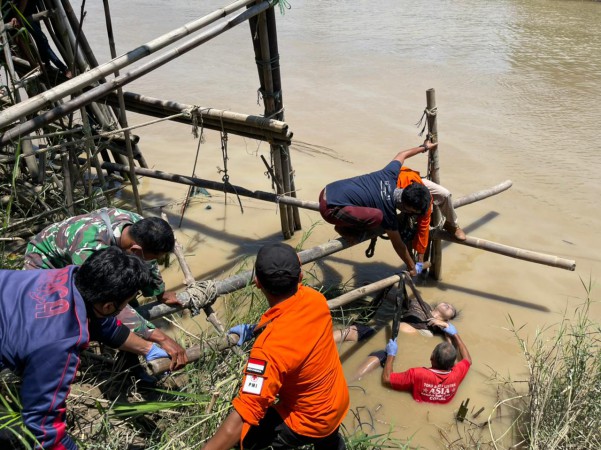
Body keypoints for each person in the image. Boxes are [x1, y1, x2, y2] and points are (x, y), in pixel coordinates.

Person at [0, 247, 172, 449]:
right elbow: (43, 431)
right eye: (125, 304)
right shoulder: (60, 344)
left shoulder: (66, 276)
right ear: (108, 307)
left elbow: (102, 325)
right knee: (14, 435)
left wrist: (147, 348)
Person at [202, 243, 349, 450]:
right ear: (300, 277)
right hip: (337, 401)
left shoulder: (266, 351)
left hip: (310, 421)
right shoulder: (316, 300)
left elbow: (246, 411)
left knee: (248, 440)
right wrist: (257, 329)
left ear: (257, 282)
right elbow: (293, 324)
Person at [23, 207, 187, 368]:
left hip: (78, 257)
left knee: (128, 296)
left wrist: (159, 292)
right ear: (136, 250)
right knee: (80, 313)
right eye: (153, 257)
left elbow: (148, 263)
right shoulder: (90, 247)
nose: (153, 261)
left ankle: (130, 363)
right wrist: (159, 337)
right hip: (46, 265)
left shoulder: (139, 226)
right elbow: (107, 301)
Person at [319, 140, 465, 277]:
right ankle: (344, 229)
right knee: (377, 217)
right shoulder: (387, 212)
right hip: (331, 209)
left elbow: (402, 154)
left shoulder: (390, 173)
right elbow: (398, 245)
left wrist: (424, 147)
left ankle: (350, 222)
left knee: (373, 212)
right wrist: (412, 267)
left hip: (329, 189)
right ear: (407, 206)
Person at [382, 322, 472, 404]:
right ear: (452, 365)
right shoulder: (456, 374)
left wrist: (391, 354)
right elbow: (468, 359)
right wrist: (455, 335)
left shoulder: (417, 374)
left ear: (431, 358)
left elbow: (386, 379)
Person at [334, 298, 457, 343]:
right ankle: (318, 343)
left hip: (396, 342)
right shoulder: (421, 303)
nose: (449, 305)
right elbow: (398, 299)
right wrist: (381, 293)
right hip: (382, 331)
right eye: (447, 303)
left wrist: (445, 325)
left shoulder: (440, 326)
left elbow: (450, 345)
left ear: (448, 318)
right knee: (351, 330)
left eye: (451, 309)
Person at [7, 1, 72, 78]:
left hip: (30, 12)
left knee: (40, 41)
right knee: (42, 40)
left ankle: (47, 65)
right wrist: (18, 16)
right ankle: (63, 68)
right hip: (24, 16)